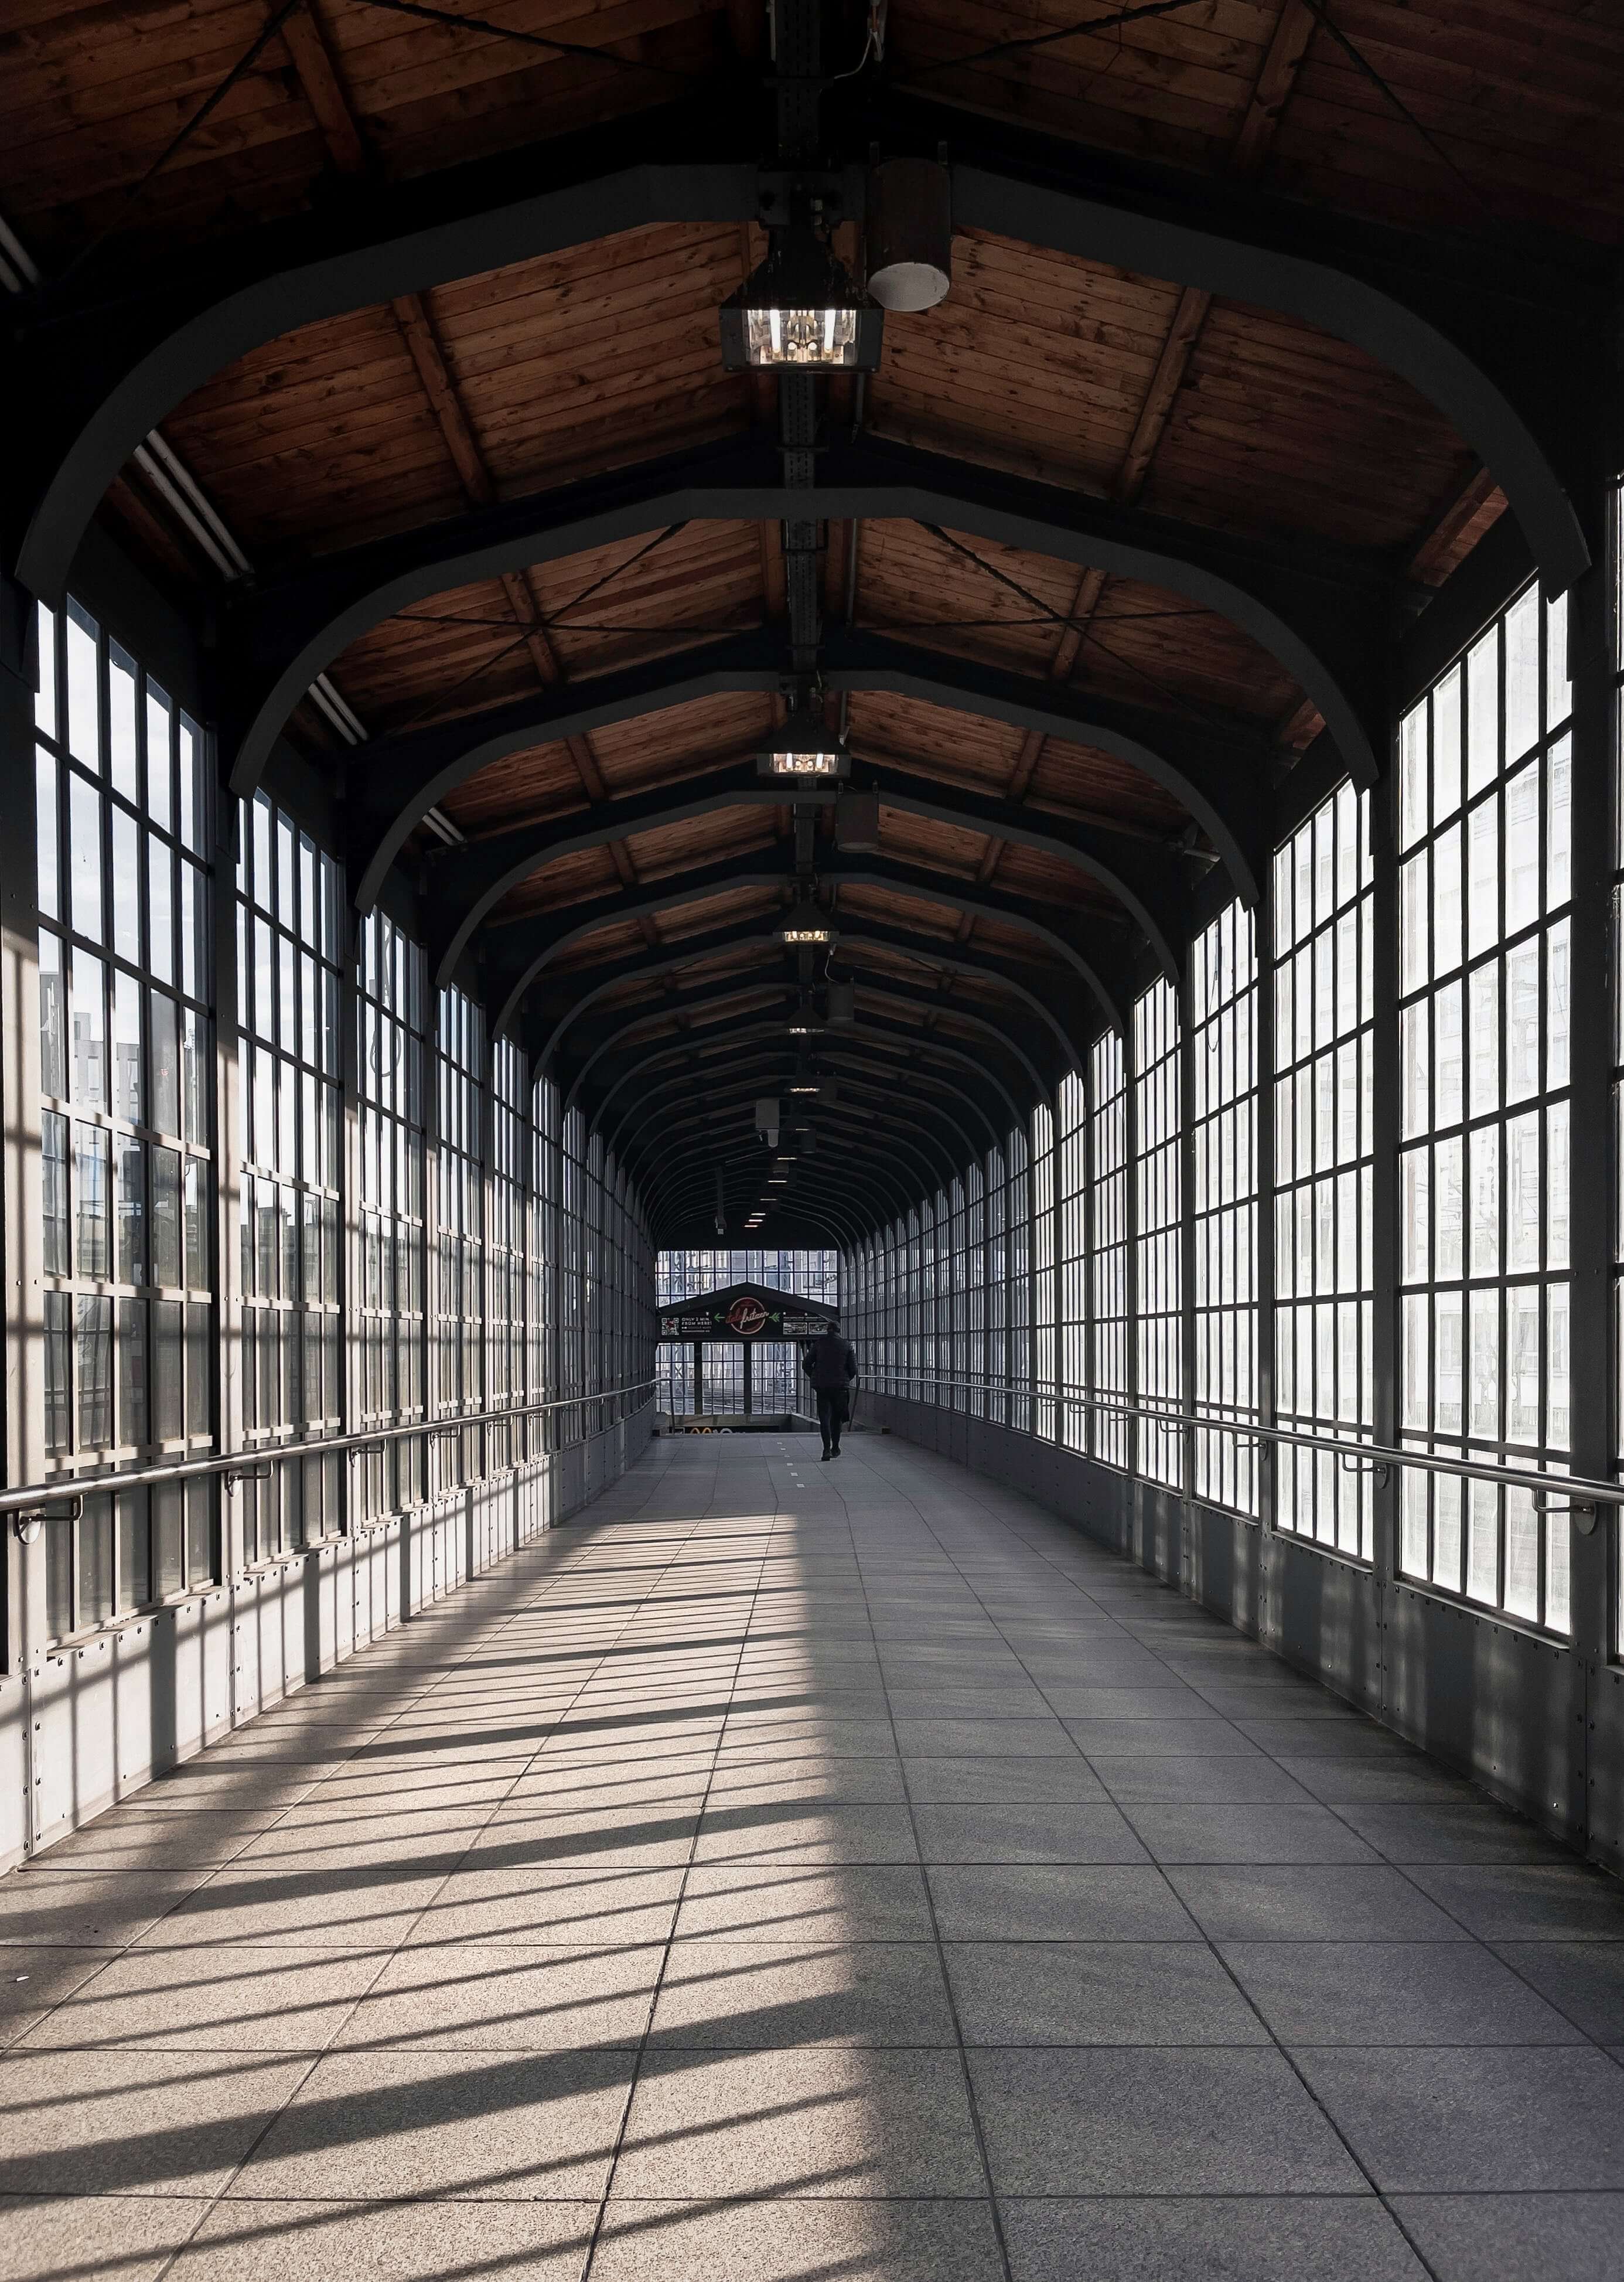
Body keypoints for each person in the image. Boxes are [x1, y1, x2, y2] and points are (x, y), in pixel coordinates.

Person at [801, 1319, 859, 1459]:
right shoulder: (846, 1345)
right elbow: (854, 1369)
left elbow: (806, 1364)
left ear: (827, 1330)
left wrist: (815, 1376)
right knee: (837, 1419)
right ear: (839, 1331)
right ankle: (836, 1448)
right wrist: (845, 1379)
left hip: (822, 1387)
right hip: (840, 1388)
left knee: (825, 1418)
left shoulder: (819, 1344)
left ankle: (826, 1450)